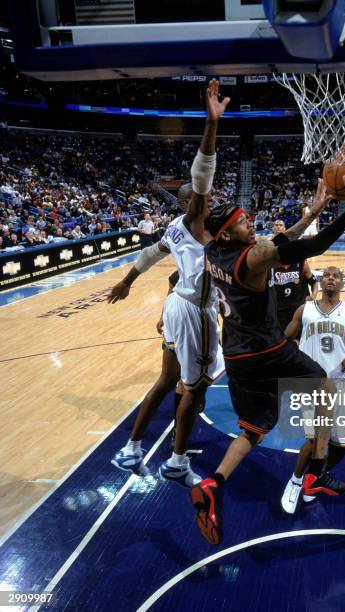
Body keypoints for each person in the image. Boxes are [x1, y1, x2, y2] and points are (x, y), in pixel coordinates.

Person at [189, 165, 345, 545]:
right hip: (266, 348)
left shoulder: (213, 250)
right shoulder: (253, 258)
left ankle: (214, 483)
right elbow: (311, 247)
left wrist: (311, 212)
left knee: (254, 428)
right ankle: (315, 472)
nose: (251, 224)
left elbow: (279, 242)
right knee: (325, 385)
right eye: (244, 223)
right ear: (229, 232)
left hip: (236, 354)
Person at [106, 79, 229, 485]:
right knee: (196, 388)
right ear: (190, 202)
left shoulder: (175, 228)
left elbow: (149, 255)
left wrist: (127, 282)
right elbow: (203, 170)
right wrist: (211, 124)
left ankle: (131, 449)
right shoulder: (194, 220)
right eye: (203, 199)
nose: (209, 201)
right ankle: (176, 461)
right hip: (194, 311)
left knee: (166, 380)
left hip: (177, 304)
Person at [280, 266, 345, 514]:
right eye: (326, 275)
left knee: (344, 444)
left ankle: (315, 478)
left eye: (335, 276)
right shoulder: (304, 309)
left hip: (340, 382)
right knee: (315, 438)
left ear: (342, 282)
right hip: (312, 382)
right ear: (320, 280)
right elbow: (285, 339)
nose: (330, 278)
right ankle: (296, 481)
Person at [271, 219, 319, 333]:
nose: (278, 227)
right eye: (276, 225)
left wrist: (314, 295)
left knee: (299, 340)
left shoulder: (299, 259)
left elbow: (313, 281)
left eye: (280, 225)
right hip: (278, 309)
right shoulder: (269, 258)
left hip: (298, 308)